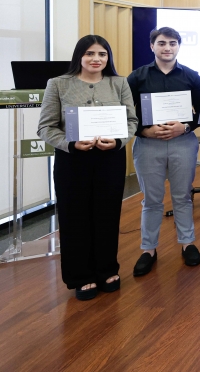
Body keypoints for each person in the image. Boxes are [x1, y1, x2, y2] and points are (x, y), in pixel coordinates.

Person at [37, 35, 138, 301]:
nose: (96, 59)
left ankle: (107, 270)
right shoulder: (58, 84)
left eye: (102, 54)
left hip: (109, 159)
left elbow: (131, 121)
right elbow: (45, 127)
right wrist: (70, 144)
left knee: (107, 215)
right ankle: (80, 277)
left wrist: (117, 141)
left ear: (108, 58)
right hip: (73, 161)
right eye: (90, 54)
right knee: (74, 218)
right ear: (79, 56)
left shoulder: (119, 83)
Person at [128, 27, 200, 276]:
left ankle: (187, 243)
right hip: (148, 144)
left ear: (179, 46)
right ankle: (148, 249)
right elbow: (126, 113)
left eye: (172, 43)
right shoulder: (137, 77)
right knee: (152, 199)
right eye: (161, 43)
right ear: (152, 46)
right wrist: (143, 131)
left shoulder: (191, 76)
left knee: (182, 196)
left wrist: (185, 126)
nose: (167, 48)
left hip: (183, 142)